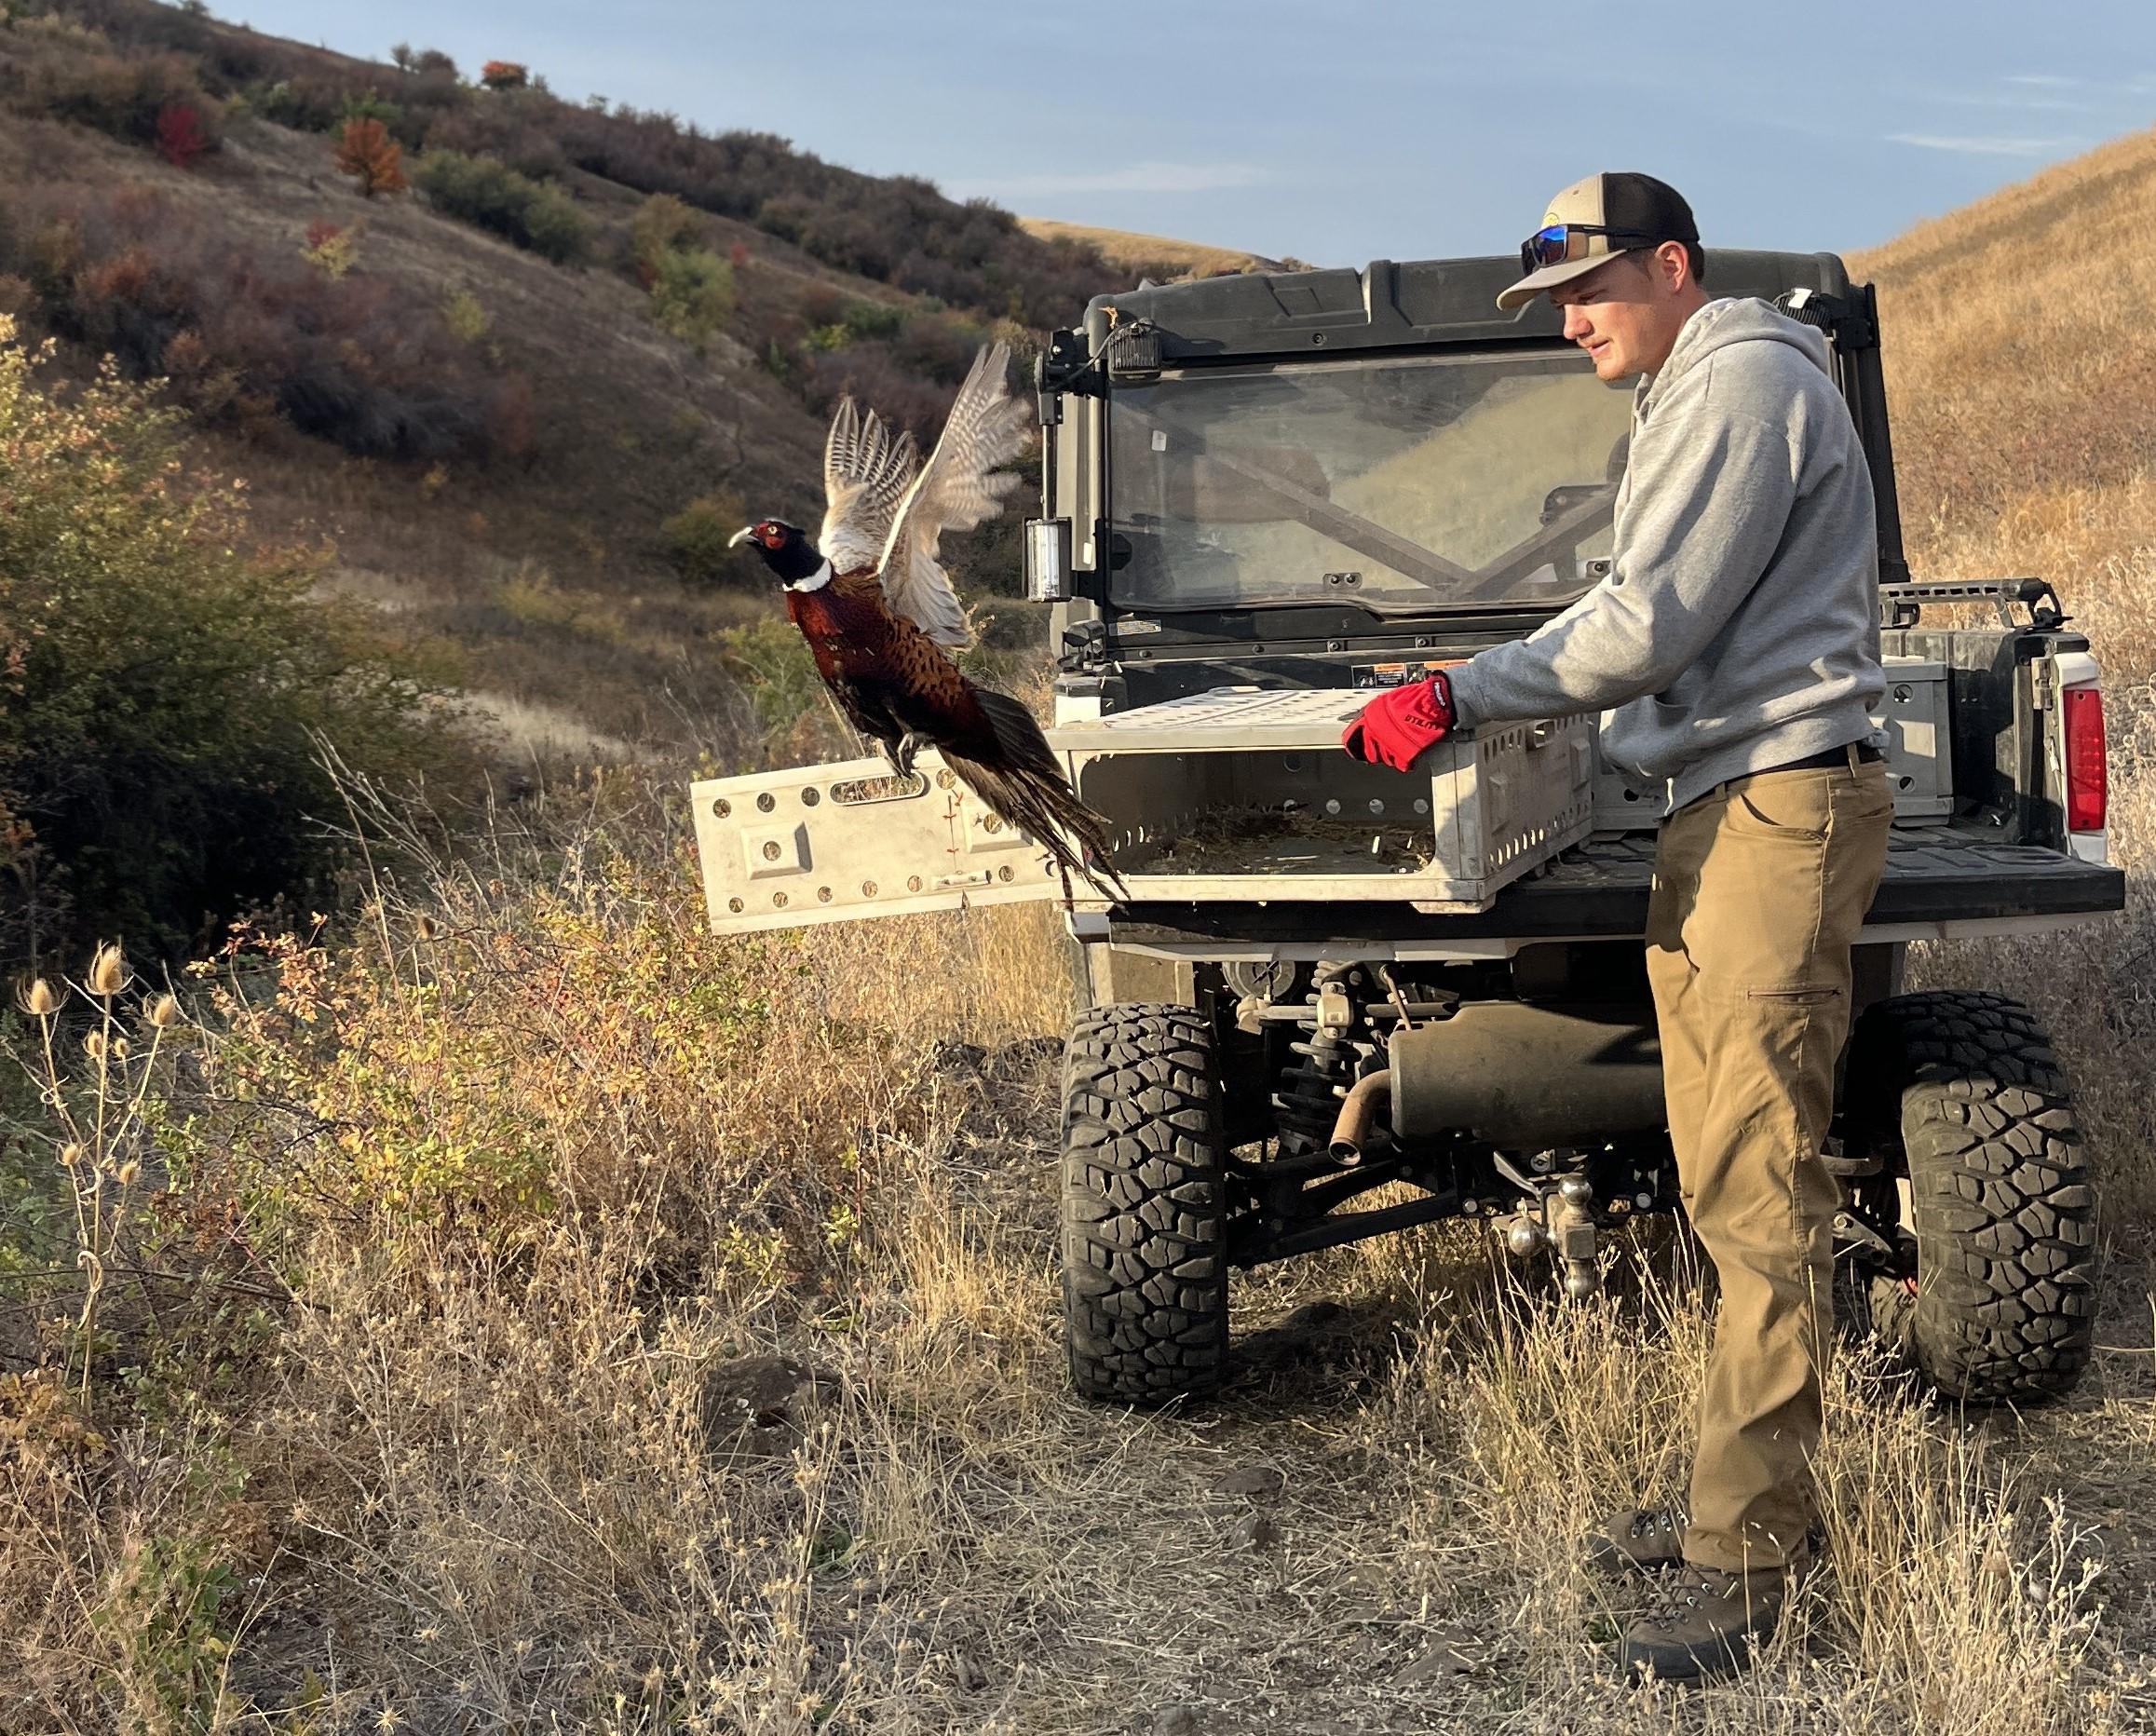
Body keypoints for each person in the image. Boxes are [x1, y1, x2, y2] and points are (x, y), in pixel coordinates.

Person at [1342, 171, 1892, 1682]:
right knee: (1724, 1175)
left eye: (1589, 290)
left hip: (1775, 808)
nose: (1568, 321)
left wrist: (1460, 689)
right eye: (1552, 302)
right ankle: (1734, 1511)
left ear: (1673, 265)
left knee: (1758, 1188)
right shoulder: (1698, 398)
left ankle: (1757, 1566)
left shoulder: (1737, 386)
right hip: (1736, 802)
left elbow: (1646, 627)